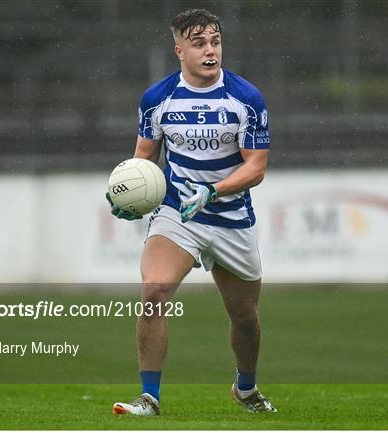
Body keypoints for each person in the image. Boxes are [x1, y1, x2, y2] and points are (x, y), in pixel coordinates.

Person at [106, 8, 276, 415]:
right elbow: (143, 162)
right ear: (179, 50)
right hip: (178, 214)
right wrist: (127, 197)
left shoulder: (245, 98)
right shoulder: (158, 99)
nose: (210, 50)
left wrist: (213, 191)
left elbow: (256, 167)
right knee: (154, 292)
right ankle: (149, 398)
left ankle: (246, 388)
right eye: (199, 43)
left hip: (232, 218)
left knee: (245, 317)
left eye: (215, 41)